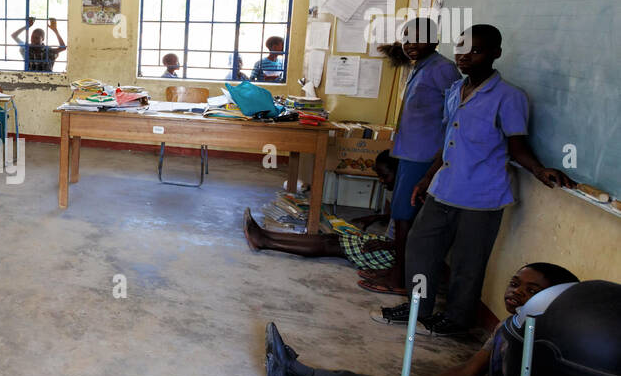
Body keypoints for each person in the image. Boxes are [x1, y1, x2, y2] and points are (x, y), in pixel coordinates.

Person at [373, 25, 574, 336]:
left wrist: (540, 170)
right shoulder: (455, 90)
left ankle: (457, 318)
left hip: (481, 195)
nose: (465, 56)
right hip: (444, 188)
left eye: (476, 51)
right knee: (420, 247)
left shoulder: (509, 97)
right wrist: (427, 177)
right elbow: (448, 141)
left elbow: (516, 145)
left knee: (469, 262)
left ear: (496, 54)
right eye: (462, 49)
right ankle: (418, 307)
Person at [267, 263, 579, 376]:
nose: (517, 292)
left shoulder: (545, 349)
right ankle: (300, 370)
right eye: (515, 283)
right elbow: (465, 373)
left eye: (532, 290)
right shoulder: (508, 326)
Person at [360, 17, 460, 297]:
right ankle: (398, 270)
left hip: (425, 155)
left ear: (435, 40)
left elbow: (454, 117)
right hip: (410, 151)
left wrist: (435, 162)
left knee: (406, 217)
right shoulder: (421, 67)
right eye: (406, 38)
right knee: (403, 215)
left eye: (417, 38)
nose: (410, 44)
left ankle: (401, 279)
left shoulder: (443, 69)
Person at [242, 151, 398, 272]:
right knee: (331, 238)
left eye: (385, 176)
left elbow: (412, 242)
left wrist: (387, 246)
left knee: (331, 245)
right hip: (389, 244)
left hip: (393, 252)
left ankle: (266, 242)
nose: (381, 181)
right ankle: (265, 234)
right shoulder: (402, 192)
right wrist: (376, 217)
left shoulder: (410, 199)